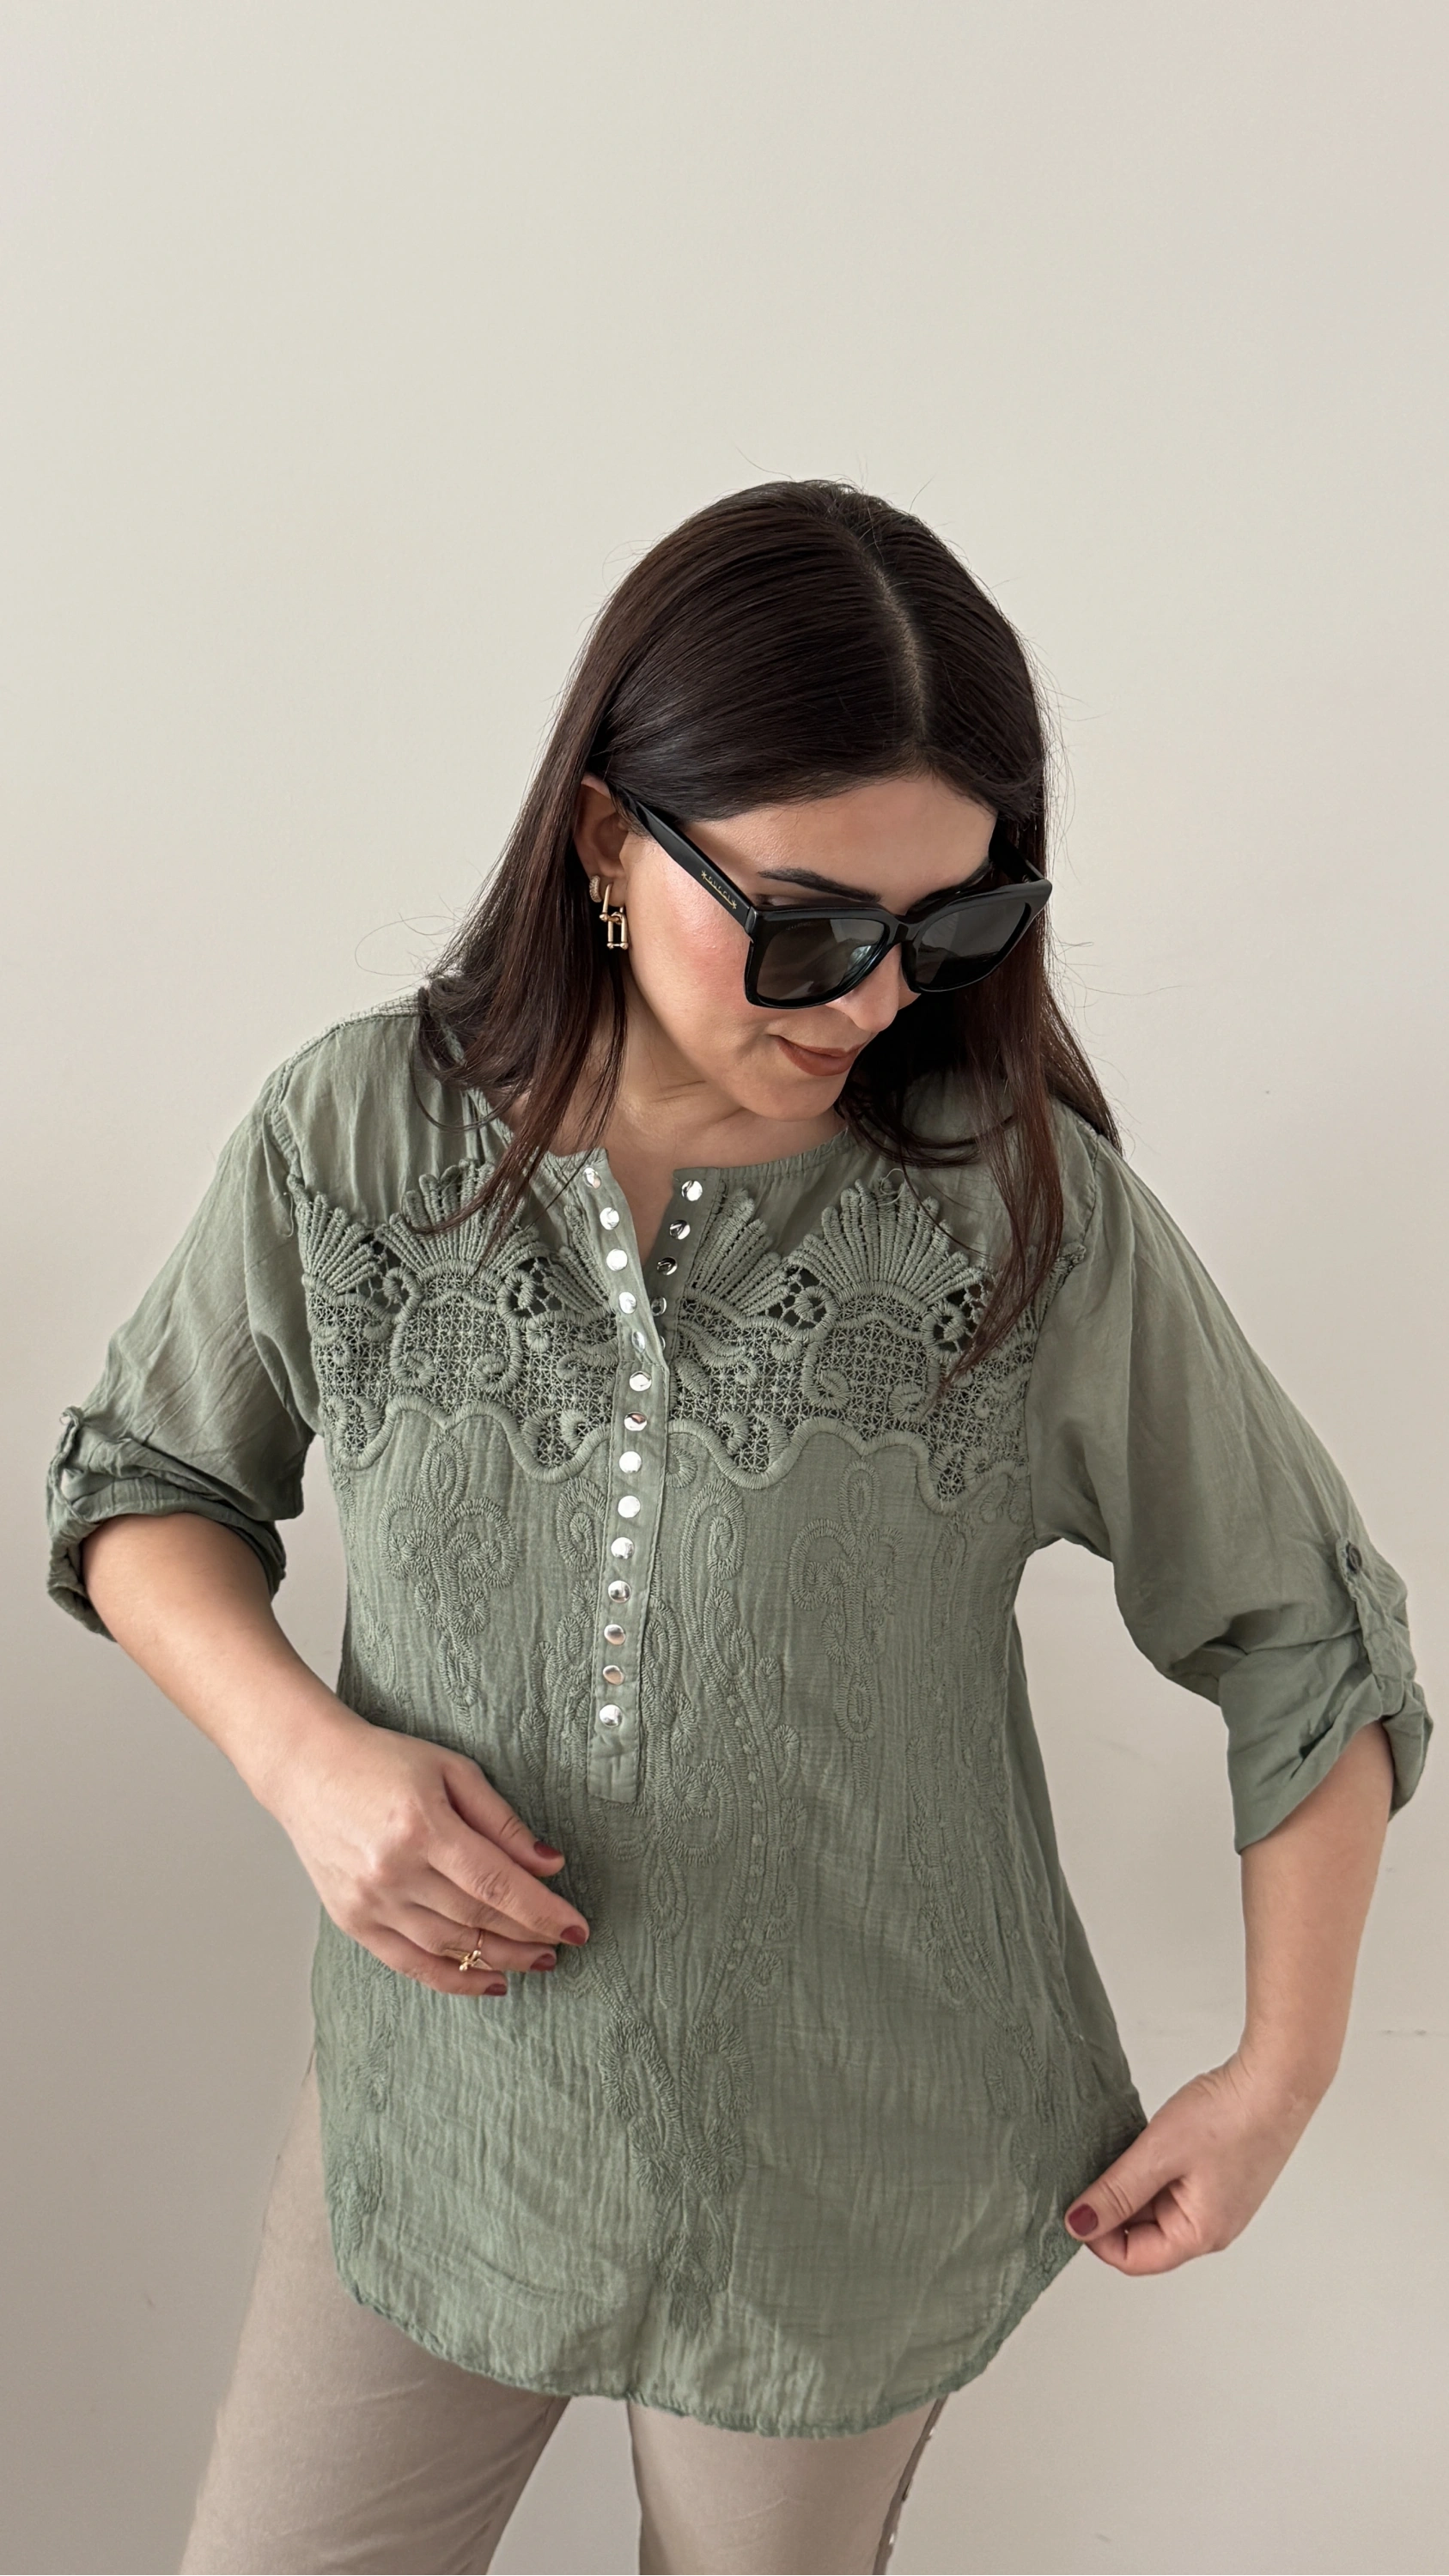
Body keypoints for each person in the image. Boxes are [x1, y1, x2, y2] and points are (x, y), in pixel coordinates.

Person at [46, 480, 1429, 2576]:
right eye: (803, 926)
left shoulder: (1018, 1218)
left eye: (948, 930)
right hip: (441, 2130)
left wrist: (1285, 2071)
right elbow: (148, 1483)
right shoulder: (358, 1139)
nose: (869, 1001)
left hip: (850, 2180)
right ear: (609, 841)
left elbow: (1302, 1627)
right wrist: (304, 1760)